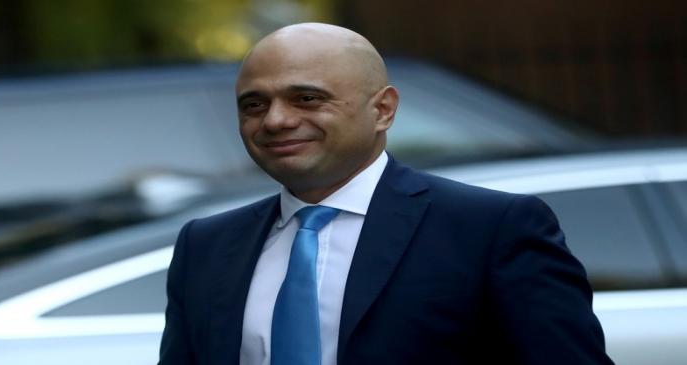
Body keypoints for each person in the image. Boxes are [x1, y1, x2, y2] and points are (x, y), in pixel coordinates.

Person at [158, 23, 614, 365]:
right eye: (254, 104)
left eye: (307, 99)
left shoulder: (490, 229)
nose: (275, 120)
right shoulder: (206, 246)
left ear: (382, 110)